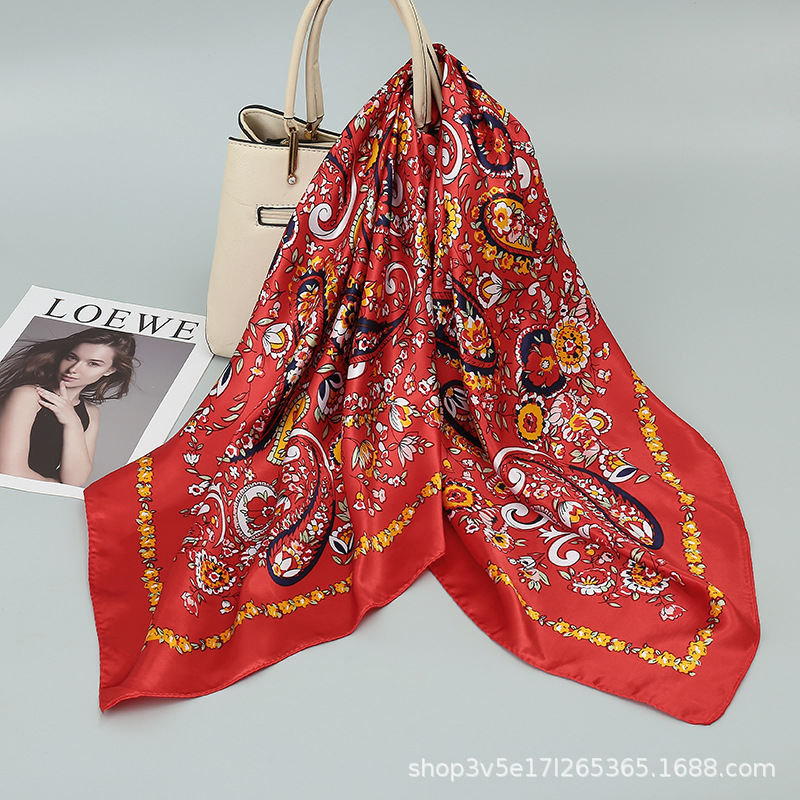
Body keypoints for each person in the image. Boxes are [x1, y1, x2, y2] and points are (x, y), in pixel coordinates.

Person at [0, 328, 137, 486]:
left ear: (110, 370)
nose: (73, 369)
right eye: (72, 357)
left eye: (93, 364)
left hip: (41, 496)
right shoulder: (28, 395)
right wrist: (56, 485)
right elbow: (9, 472)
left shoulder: (91, 412)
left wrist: (72, 422)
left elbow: (75, 480)